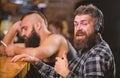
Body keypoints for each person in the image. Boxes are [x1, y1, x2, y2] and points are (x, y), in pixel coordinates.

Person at [11, 4, 116, 78]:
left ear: (97, 27)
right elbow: (58, 75)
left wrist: (65, 73)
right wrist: (35, 61)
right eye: (76, 24)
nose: (78, 28)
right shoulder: (86, 48)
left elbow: (64, 74)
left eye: (84, 23)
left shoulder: (96, 55)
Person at [1, 11, 76, 78]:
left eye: (25, 28)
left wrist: (15, 49)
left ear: (38, 26)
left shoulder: (56, 39)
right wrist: (14, 28)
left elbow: (35, 54)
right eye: (21, 30)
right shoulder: (36, 44)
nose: (22, 34)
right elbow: (4, 49)